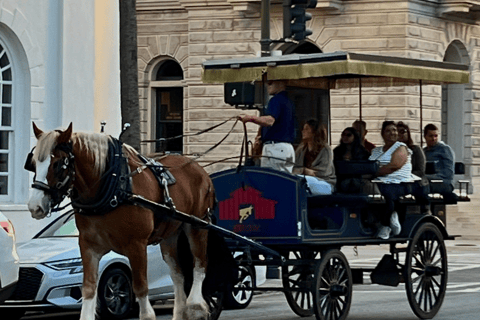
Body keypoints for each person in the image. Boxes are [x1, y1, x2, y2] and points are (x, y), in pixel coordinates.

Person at [369, 121, 420, 239]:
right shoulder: (376, 151)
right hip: (378, 181)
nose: (392, 133)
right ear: (382, 134)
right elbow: (369, 165)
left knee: (387, 192)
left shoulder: (401, 147)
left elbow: (395, 165)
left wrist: (373, 172)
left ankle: (387, 224)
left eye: (394, 130)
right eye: (388, 130)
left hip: (399, 182)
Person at [239, 80, 295, 173]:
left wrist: (250, 118)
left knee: (270, 181)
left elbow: (270, 120)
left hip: (275, 148)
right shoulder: (288, 102)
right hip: (287, 149)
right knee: (284, 182)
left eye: (270, 82)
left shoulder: (276, 100)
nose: (267, 84)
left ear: (281, 82)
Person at [293, 119, 335, 195]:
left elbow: (324, 172)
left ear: (314, 132)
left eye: (306, 129)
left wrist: (306, 172)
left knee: (303, 185)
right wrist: (304, 171)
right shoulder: (301, 149)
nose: (303, 131)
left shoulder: (326, 150)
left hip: (324, 182)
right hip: (304, 179)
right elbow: (294, 168)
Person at [397, 122, 431, 214]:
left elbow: (420, 171)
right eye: (397, 132)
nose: (400, 134)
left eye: (403, 131)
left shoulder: (416, 150)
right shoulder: (390, 151)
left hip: (415, 182)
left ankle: (425, 210)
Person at [333, 127, 372, 193]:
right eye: (343, 134)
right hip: (340, 180)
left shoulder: (362, 152)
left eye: (348, 135)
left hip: (358, 179)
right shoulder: (337, 151)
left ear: (355, 136)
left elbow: (367, 169)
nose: (345, 137)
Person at [423, 123, 456, 197]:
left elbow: (448, 173)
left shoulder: (445, 149)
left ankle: (425, 208)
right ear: (425, 137)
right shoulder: (423, 151)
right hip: (428, 181)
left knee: (421, 188)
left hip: (445, 182)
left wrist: (426, 177)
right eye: (430, 136)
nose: (433, 139)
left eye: (435, 136)